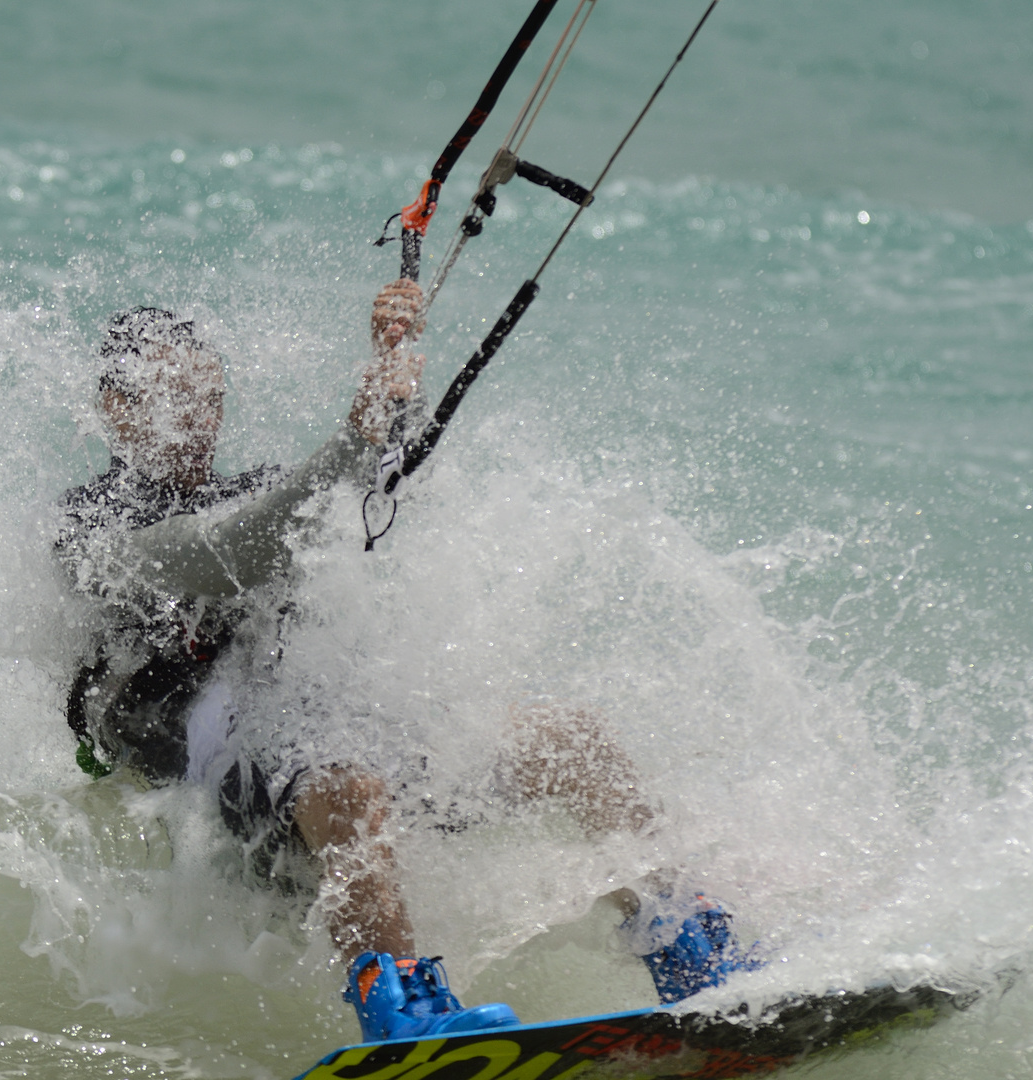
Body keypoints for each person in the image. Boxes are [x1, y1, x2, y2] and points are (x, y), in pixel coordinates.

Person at [53, 281, 756, 1043]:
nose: (197, 415)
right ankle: (401, 1019)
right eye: (172, 396)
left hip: (309, 737)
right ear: (114, 409)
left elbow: (372, 493)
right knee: (347, 783)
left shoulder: (253, 488)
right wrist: (352, 440)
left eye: (207, 394)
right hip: (221, 796)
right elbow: (234, 550)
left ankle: (692, 948)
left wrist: (393, 383)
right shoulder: (92, 531)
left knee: (568, 741)